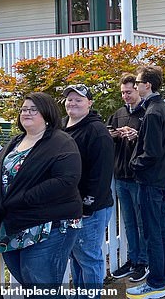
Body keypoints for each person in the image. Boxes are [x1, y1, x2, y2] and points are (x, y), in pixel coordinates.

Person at [0, 93, 82, 297]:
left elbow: (66, 181)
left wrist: (21, 199)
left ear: (47, 114)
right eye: (24, 109)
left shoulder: (61, 142)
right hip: (13, 225)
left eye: (33, 109)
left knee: (42, 290)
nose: (27, 113)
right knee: (31, 286)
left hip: (48, 226)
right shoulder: (16, 141)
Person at [127, 66, 165, 298]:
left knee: (152, 234)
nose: (136, 86)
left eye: (138, 82)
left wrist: (134, 164)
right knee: (162, 232)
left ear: (147, 85)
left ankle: (156, 283)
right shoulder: (164, 109)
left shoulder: (152, 112)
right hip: (160, 180)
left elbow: (152, 152)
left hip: (150, 181)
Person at [62, 84, 115, 298]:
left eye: (78, 99)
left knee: (89, 257)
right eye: (69, 99)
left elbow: (101, 175)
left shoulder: (97, 132)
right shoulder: (62, 126)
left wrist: (87, 205)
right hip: (70, 206)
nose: (72, 103)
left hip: (90, 209)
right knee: (76, 256)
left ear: (89, 103)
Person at [107, 74, 148, 282]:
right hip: (120, 176)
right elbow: (106, 137)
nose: (125, 96)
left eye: (129, 92)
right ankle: (133, 260)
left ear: (138, 90)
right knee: (129, 222)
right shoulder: (118, 114)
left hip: (137, 177)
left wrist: (136, 136)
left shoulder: (146, 114)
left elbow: (151, 144)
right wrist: (112, 136)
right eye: (123, 92)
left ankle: (144, 262)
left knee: (142, 222)